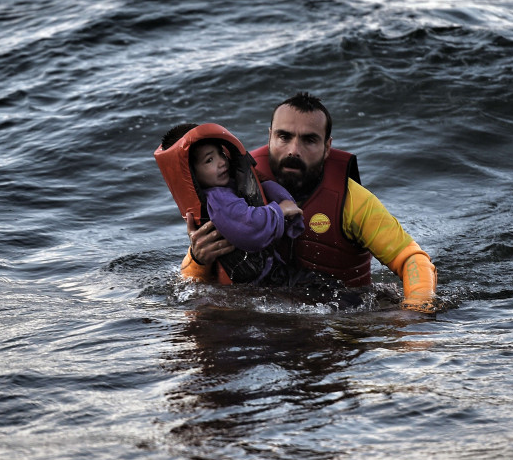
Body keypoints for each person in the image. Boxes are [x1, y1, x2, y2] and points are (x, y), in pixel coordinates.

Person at [180, 93, 438, 313]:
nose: (294, 150)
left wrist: (415, 314)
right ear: (270, 137)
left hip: (337, 324)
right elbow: (189, 284)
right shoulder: (233, 187)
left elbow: (412, 260)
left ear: (327, 147)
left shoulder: (353, 201)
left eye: (309, 140)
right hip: (255, 324)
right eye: (284, 137)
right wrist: (198, 260)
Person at [155, 123, 304, 284]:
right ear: (192, 174)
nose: (221, 162)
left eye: (221, 154)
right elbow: (248, 227)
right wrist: (280, 210)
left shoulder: (229, 185)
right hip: (261, 281)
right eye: (209, 160)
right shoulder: (218, 199)